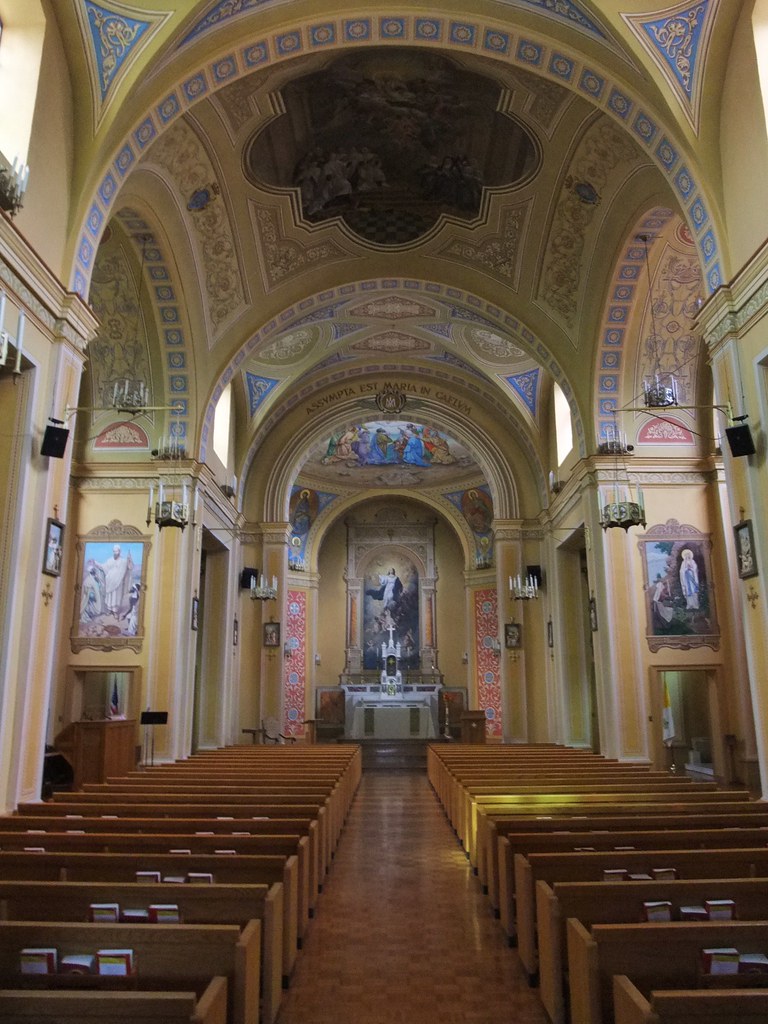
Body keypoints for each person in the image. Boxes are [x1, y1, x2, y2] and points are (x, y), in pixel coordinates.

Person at [100, 544, 133, 618]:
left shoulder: (123, 561)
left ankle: (115, 612)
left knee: (116, 598)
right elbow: (103, 566)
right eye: (114, 551)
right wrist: (95, 563)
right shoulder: (110, 560)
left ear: (119, 552)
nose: (115, 553)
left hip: (118, 583)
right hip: (110, 582)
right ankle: (110, 610)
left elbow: (130, 567)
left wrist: (130, 561)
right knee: (110, 597)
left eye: (117, 552)